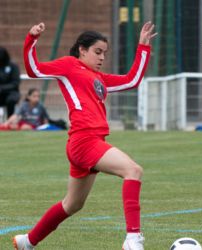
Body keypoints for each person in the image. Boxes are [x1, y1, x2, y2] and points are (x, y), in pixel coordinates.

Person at [13, 21, 156, 250]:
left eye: (104, 54)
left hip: (90, 143)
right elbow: (34, 69)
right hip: (84, 141)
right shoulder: (69, 66)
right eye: (97, 52)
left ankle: (27, 242)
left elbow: (132, 80)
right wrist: (32, 38)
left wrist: (143, 48)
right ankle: (133, 239)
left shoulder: (100, 78)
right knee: (133, 170)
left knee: (73, 204)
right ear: (82, 49)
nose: (101, 58)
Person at [0, 46, 21, 118]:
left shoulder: (13, 66)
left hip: (11, 92)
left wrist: (2, 88)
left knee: (11, 100)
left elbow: (15, 82)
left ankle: (10, 120)